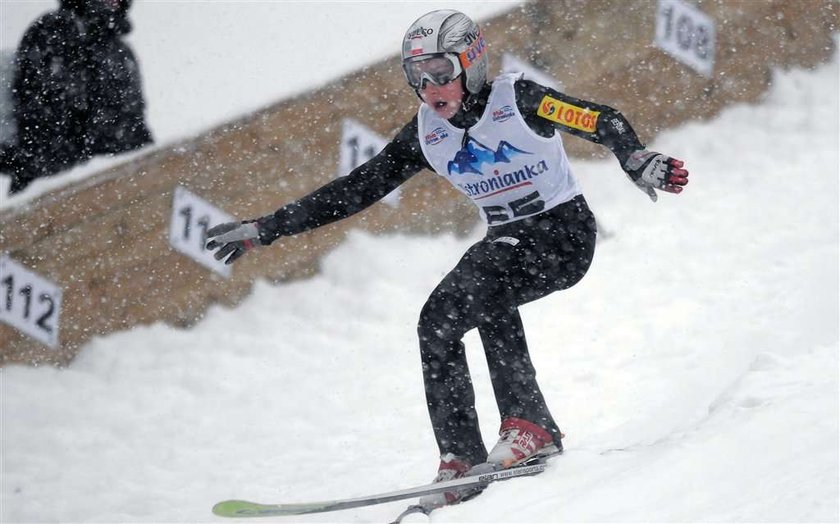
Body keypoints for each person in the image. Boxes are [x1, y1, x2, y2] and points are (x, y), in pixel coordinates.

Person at [206, 9, 688, 509]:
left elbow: (598, 119)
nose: (430, 86)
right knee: (438, 321)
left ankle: (528, 424)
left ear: (471, 64)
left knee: (480, 279)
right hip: (506, 245)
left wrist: (635, 159)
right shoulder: (425, 133)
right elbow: (357, 189)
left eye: (440, 71)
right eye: (417, 76)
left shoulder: (518, 100)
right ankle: (463, 453)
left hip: (562, 237)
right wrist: (267, 228)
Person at [0, 0, 152, 194]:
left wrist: (153, 169)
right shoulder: (55, 32)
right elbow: (45, 133)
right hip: (61, 197)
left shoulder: (121, 52)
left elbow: (136, 133)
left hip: (120, 190)